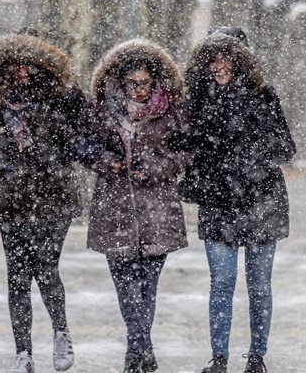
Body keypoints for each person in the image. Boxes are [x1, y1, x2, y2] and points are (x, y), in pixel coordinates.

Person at [178, 32, 295, 373]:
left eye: (225, 58)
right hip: (218, 202)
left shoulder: (263, 95)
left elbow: (286, 148)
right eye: (212, 60)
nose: (219, 67)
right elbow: (187, 146)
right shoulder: (197, 98)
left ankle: (257, 358)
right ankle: (219, 359)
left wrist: (247, 154)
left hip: (262, 200)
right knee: (222, 283)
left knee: (259, 286)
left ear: (241, 60)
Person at [74, 39, 189, 373]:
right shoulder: (101, 109)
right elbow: (81, 145)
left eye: (145, 83)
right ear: (119, 81)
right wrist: (108, 162)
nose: (139, 90)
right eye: (132, 83)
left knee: (147, 284)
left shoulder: (172, 110)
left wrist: (157, 166)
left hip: (157, 209)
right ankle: (140, 348)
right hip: (115, 208)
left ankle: (138, 349)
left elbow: (187, 151)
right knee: (125, 284)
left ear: (155, 81)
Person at [0, 32, 84, 373]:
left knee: (46, 269)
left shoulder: (63, 94)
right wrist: (4, 166)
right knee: (17, 276)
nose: (22, 69)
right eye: (15, 62)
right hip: (12, 198)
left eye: (29, 62)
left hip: (55, 196)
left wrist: (57, 159)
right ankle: (24, 352)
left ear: (42, 62)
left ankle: (61, 333)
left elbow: (82, 131)